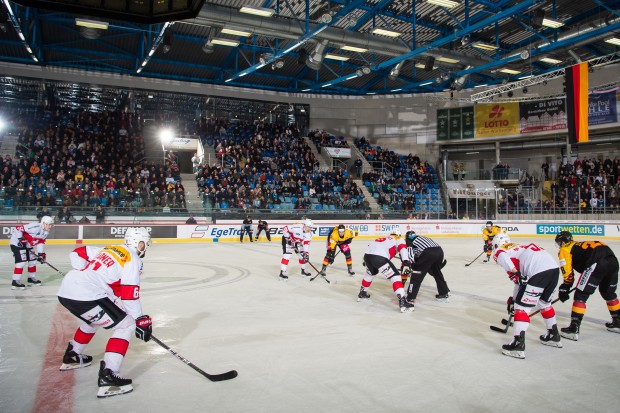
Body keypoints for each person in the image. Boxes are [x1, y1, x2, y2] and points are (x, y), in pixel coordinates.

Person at [57, 228, 153, 398]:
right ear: (139, 243)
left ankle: (73, 354)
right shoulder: (132, 259)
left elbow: (79, 251)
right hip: (87, 295)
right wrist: (139, 319)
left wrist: (83, 274)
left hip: (66, 290)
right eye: (145, 243)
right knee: (127, 325)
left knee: (93, 320)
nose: (145, 246)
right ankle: (109, 375)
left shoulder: (111, 248)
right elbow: (130, 295)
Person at [492, 233, 562, 359]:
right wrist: (514, 298)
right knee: (545, 304)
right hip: (553, 270)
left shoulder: (501, 250)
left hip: (538, 272)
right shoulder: (518, 247)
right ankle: (553, 335)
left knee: (521, 308)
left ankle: (518, 344)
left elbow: (501, 255)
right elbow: (519, 283)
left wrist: (515, 272)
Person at [555, 231, 620, 340]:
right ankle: (618, 322)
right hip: (613, 262)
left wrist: (566, 286)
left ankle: (573, 328)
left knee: (580, 296)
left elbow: (567, 271)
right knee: (609, 293)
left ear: (562, 242)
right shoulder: (580, 245)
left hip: (596, 264)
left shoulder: (565, 249)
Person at [359, 228, 414, 313]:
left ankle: (362, 293)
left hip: (367, 256)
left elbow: (370, 247)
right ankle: (403, 302)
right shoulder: (398, 239)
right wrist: (406, 263)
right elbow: (403, 249)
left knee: (370, 274)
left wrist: (365, 260)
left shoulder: (383, 238)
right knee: (395, 277)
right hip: (379, 257)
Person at [403, 230, 450, 304]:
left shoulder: (409, 240)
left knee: (416, 275)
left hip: (428, 252)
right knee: (437, 273)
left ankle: (410, 298)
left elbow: (410, 253)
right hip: (439, 251)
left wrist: (410, 265)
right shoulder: (421, 238)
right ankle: (444, 293)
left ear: (407, 237)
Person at [9, 215, 54, 289]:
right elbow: (18, 228)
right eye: (49, 225)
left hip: (27, 245)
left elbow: (40, 242)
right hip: (17, 244)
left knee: (32, 261)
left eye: (51, 225)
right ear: (44, 223)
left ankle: (31, 278)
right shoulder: (35, 227)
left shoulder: (45, 232)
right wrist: (20, 239)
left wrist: (40, 254)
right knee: (21, 263)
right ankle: (15, 281)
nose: (50, 227)